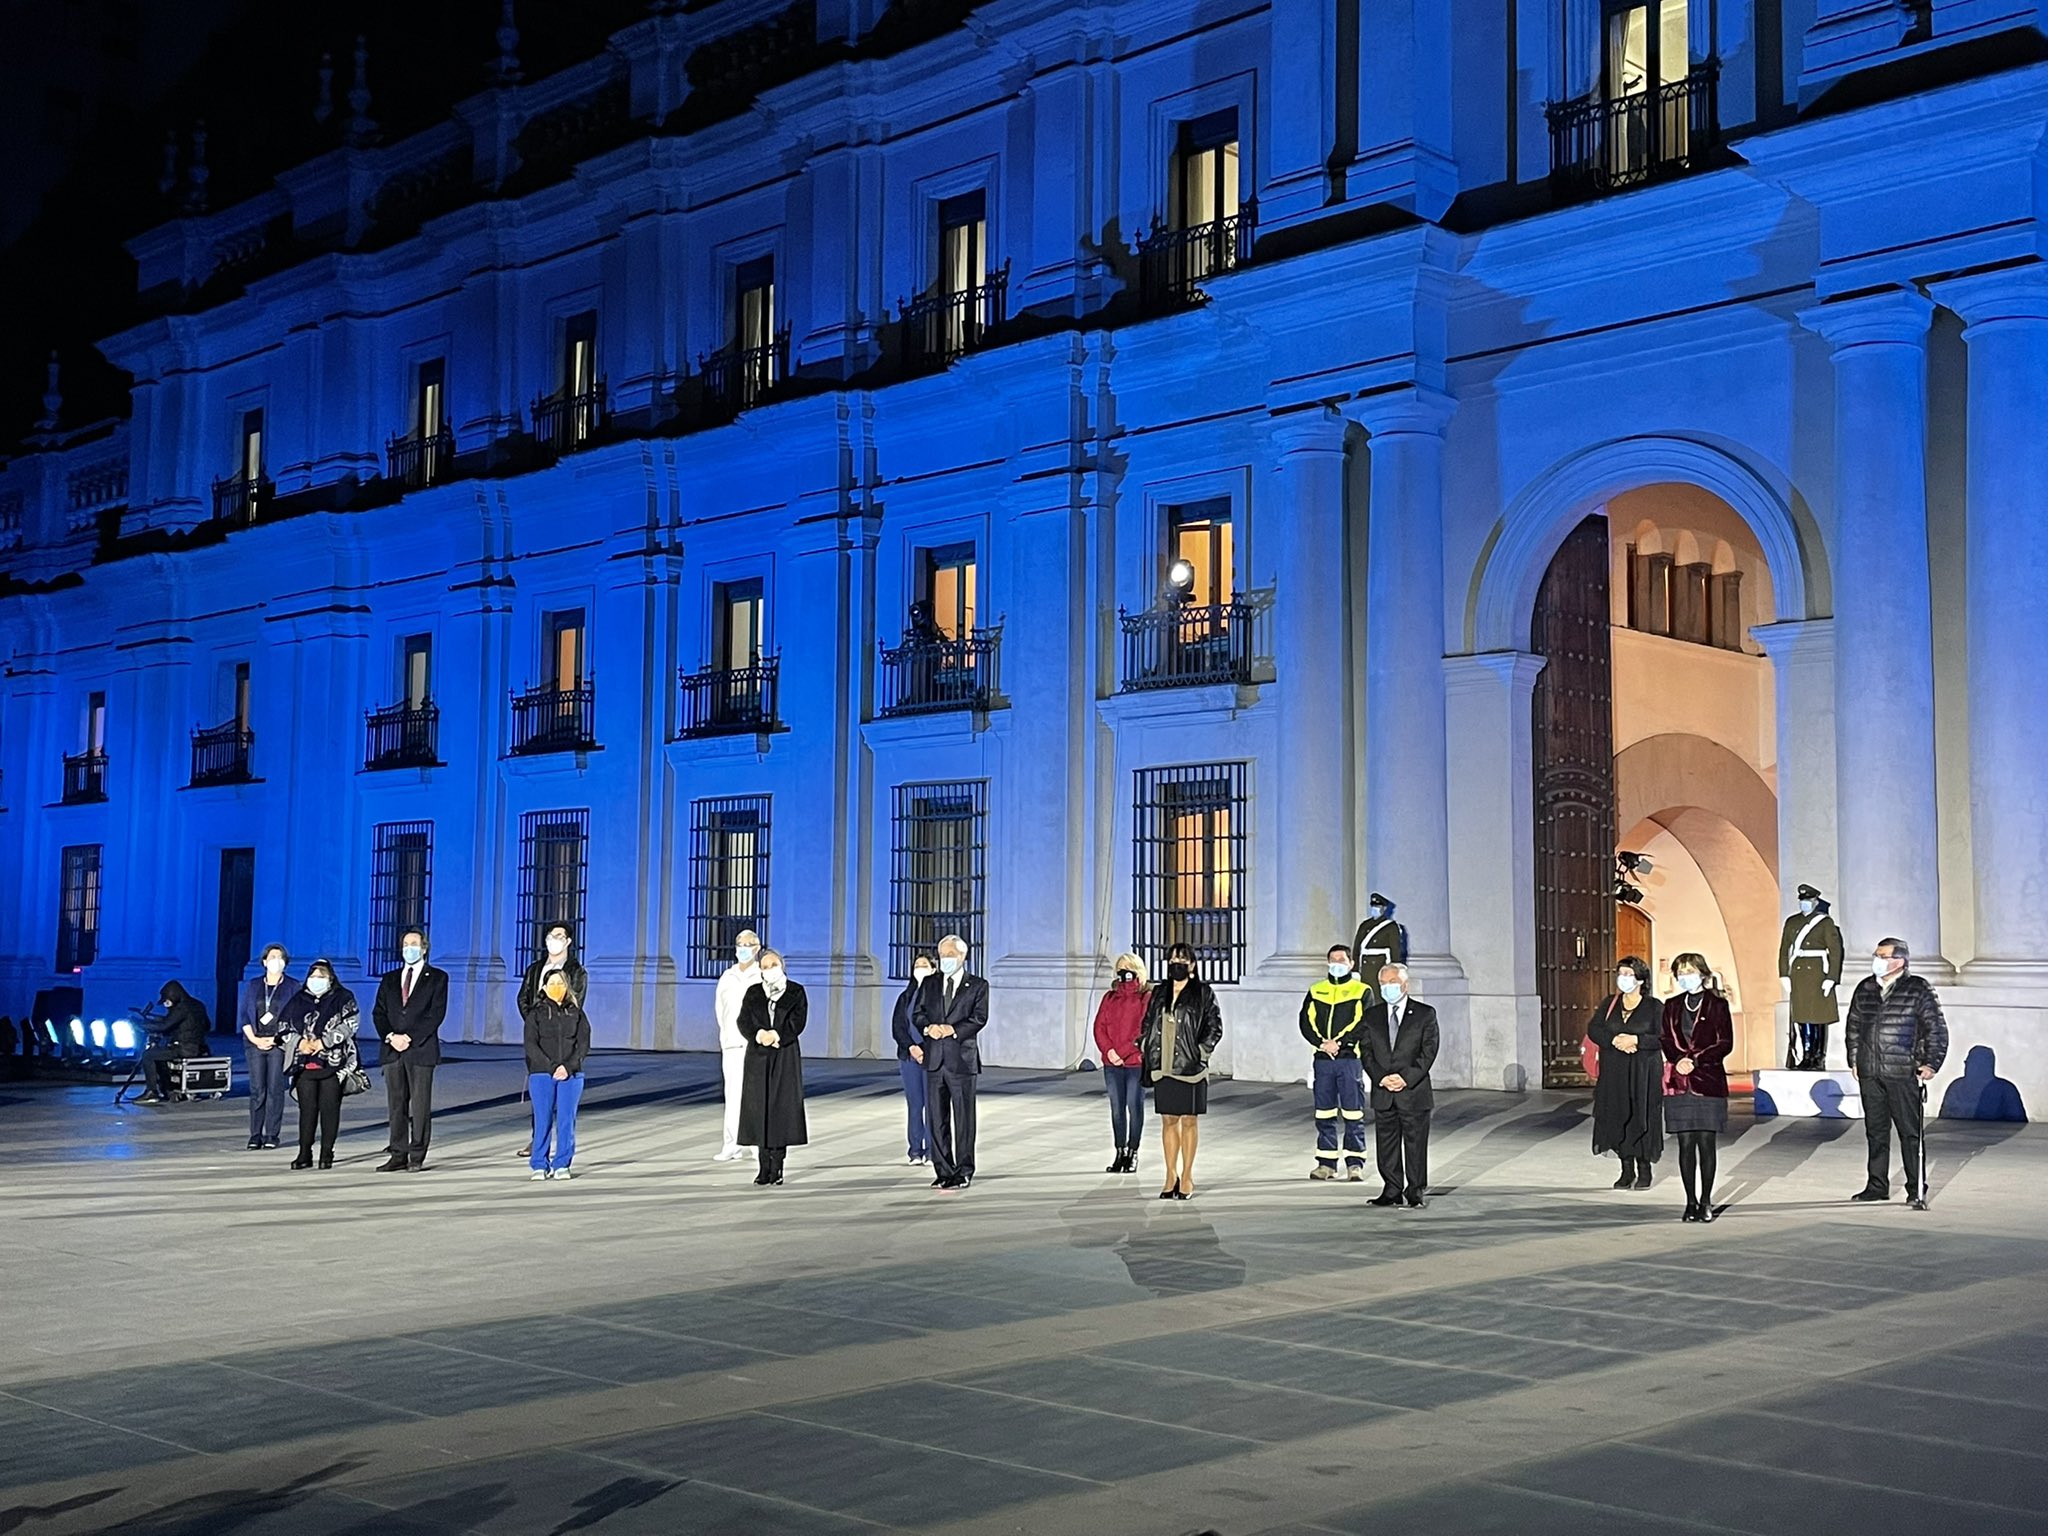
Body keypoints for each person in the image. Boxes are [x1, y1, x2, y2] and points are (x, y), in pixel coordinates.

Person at [1846, 937, 1948, 1210]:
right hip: (1871, 1071)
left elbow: (1935, 1029)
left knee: (1910, 1133)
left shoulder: (1917, 989)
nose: (1876, 960)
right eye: (1876, 955)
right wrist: (1855, 1059)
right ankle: (1876, 1185)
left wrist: (1930, 1063)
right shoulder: (1865, 988)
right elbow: (1854, 1027)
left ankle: (1916, 1189)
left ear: (1899, 960)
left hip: (1902, 1070)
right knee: (1875, 1131)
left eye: (1883, 955)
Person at [1140, 942, 1223, 1200]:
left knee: (1188, 1119)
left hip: (1190, 1067)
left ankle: (1187, 1176)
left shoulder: (1202, 992)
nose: (1177, 963)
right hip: (1162, 1065)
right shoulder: (1159, 992)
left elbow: (1214, 1027)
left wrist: (1201, 1052)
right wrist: (1145, 1043)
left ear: (1192, 965)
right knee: (1168, 1120)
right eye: (1173, 959)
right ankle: (1169, 1175)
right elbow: (1148, 1021)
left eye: (1182, 959)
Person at [912, 933, 989, 1190]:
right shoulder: (930, 983)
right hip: (935, 1060)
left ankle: (964, 1170)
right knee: (937, 1118)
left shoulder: (978, 985)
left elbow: (979, 1018)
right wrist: (927, 1029)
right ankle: (943, 1170)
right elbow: (918, 1013)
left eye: (951, 955)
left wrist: (952, 1030)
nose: (946, 959)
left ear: (963, 956)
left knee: (964, 1120)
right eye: (942, 955)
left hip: (961, 1061)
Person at [1660, 952, 1732, 1223]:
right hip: (1679, 1082)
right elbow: (1665, 1037)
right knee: (1685, 1144)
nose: (1684, 977)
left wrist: (1697, 1060)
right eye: (1680, 973)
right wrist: (1678, 1060)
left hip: (1707, 1081)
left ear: (1702, 973)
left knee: (1706, 1143)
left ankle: (1706, 1201)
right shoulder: (1672, 1005)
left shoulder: (1717, 1005)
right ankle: (1690, 1201)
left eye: (1689, 971)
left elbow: (1725, 1042)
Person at [371, 928, 448, 1172]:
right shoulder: (390, 979)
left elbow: (435, 1014)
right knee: (396, 1104)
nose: (408, 948)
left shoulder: (437, 977)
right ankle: (397, 1153)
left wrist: (410, 1038)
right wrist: (391, 1036)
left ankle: (417, 1154)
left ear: (424, 948)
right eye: (405, 944)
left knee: (420, 1105)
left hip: (421, 1050)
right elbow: (379, 1013)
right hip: (393, 1051)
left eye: (414, 943)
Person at [1361, 963, 1437, 1208]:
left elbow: (1428, 1052)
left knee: (1415, 1143)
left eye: (1392, 982)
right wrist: (1380, 1077)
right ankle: (1391, 1190)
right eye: (1383, 983)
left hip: (1413, 1091)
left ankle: (1415, 1191)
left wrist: (1405, 1078)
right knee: (1387, 1143)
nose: (1387, 987)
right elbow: (1366, 1051)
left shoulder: (1425, 1014)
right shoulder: (1372, 1015)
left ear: (1405, 985)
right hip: (1384, 1091)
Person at [1588, 955, 1663, 1189]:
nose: (1624, 979)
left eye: (1629, 974)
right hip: (1614, 1072)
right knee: (1617, 1115)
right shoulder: (1609, 1003)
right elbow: (1594, 1029)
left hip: (1643, 1072)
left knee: (1641, 1116)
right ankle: (1626, 1169)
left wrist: (1636, 1040)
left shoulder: (1654, 1007)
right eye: (1621, 974)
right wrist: (1614, 1040)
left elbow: (1663, 1037)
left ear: (1641, 979)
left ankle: (1644, 1169)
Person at [278, 960, 360, 1170]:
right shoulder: (298, 999)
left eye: (321, 976)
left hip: (333, 1064)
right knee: (307, 1110)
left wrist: (324, 1042)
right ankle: (304, 1153)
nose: (316, 980)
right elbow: (283, 1027)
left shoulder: (343, 998)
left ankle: (326, 1153)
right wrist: (300, 1043)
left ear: (331, 978)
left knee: (330, 1109)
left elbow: (351, 1023)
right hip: (305, 1064)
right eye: (313, 976)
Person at [738, 949, 809, 1186]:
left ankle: (777, 1166)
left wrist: (777, 1035)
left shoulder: (796, 991)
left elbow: (798, 1022)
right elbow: (743, 1020)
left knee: (780, 1110)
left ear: (782, 965)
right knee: (760, 1110)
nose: (770, 969)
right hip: (758, 1056)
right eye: (766, 966)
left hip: (784, 1053)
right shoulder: (753, 992)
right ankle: (763, 1166)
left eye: (774, 964)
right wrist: (758, 1034)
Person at [516, 924, 587, 1158]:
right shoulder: (535, 969)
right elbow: (523, 997)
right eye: (550, 936)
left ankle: (563, 1150)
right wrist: (535, 1024)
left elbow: (575, 1005)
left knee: (565, 1103)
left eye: (559, 936)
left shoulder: (576, 971)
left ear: (568, 941)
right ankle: (538, 1142)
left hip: (563, 1042)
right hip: (539, 1039)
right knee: (541, 1096)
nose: (553, 940)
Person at [1300, 944, 1368, 1182]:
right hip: (1323, 1060)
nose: (1337, 963)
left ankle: (1355, 1164)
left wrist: (1340, 1043)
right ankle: (1326, 1164)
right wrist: (1322, 1043)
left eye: (1342, 959)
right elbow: (1305, 1022)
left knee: (1353, 1113)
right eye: (1333, 959)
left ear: (1351, 964)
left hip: (1349, 1059)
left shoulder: (1362, 990)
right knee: (1324, 1112)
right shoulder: (1316, 990)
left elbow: (1364, 1022)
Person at [523, 966, 591, 1180]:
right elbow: (531, 1045)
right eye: (551, 984)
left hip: (571, 1075)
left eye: (560, 983)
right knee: (542, 1119)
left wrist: (568, 1067)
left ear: (567, 987)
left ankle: (562, 1163)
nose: (556, 988)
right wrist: (552, 1067)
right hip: (542, 1073)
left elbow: (583, 1044)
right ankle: (539, 1164)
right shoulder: (536, 1014)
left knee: (566, 1120)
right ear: (544, 987)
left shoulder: (576, 1013)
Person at [1092, 953, 1149, 1175]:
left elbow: (1143, 1030)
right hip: (1112, 1063)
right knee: (1117, 1109)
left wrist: (1123, 1052)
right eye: (1120, 968)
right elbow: (1099, 1027)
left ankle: (1133, 1152)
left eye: (1128, 968)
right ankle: (1120, 1152)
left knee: (1135, 1107)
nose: (1123, 971)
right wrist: (1109, 1051)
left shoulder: (1146, 997)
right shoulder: (1109, 997)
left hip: (1135, 1062)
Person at [236, 945, 298, 1147]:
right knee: (257, 1090)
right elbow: (244, 1014)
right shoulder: (254, 985)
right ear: (264, 962)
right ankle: (255, 1134)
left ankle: (272, 1134)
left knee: (275, 1088)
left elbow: (296, 1017)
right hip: (255, 1042)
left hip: (278, 1044)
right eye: (272, 957)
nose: (276, 961)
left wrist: (278, 1039)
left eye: (280, 958)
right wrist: (254, 1039)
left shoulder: (292, 986)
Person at [1778, 883, 1845, 1070]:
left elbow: (1835, 950)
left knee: (1818, 1018)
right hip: (1799, 974)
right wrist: (1784, 974)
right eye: (1803, 901)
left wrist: (1831, 977)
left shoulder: (1825, 922)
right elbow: (1784, 949)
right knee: (1801, 1017)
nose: (1805, 904)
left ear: (1815, 902)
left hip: (1817, 973)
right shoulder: (1792, 922)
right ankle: (1806, 1055)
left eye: (1808, 901)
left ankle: (1817, 1057)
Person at [712, 931, 763, 1162]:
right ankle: (731, 1144)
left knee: (755, 1094)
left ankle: (754, 1142)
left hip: (754, 1043)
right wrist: (725, 1034)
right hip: (732, 1043)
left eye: (748, 945)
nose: (743, 948)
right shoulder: (727, 976)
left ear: (757, 947)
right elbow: (720, 1009)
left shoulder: (761, 974)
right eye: (740, 945)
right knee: (732, 1095)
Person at [891, 954, 935, 1165]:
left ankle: (932, 1150)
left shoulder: (937, 997)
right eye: (917, 965)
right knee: (915, 1104)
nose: (920, 968)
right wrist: (911, 1047)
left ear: (933, 969)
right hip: (909, 1057)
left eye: (924, 965)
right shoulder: (905, 997)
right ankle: (915, 1150)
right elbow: (898, 1027)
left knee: (932, 1104)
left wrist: (925, 1049)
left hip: (932, 1057)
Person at [137, 979, 210, 1104]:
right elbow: (207, 1025)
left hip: (184, 1048)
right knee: (159, 1056)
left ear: (172, 996)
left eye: (166, 1000)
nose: (166, 1003)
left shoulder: (181, 1008)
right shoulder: (197, 1004)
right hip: (198, 1047)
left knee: (148, 1055)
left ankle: (151, 1092)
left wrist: (142, 1025)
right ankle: (168, 1090)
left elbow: (164, 1026)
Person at [1351, 894, 1408, 996]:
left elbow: (1395, 950)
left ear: (1384, 908)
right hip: (1364, 968)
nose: (1375, 909)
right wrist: (1355, 970)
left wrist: (1395, 971)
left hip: (1380, 966)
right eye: (1373, 906)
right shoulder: (1365, 925)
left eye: (1378, 907)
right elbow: (1357, 948)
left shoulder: (1391, 927)